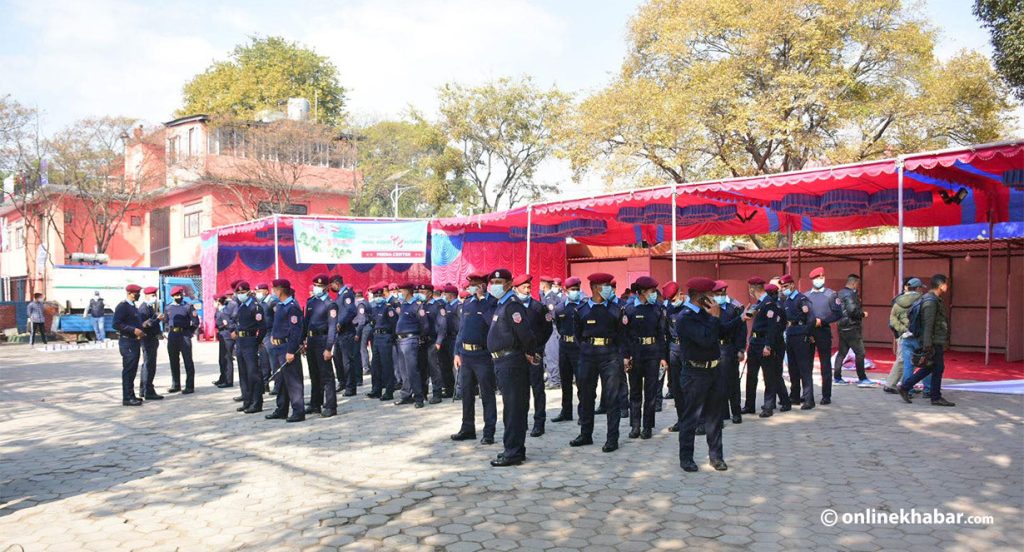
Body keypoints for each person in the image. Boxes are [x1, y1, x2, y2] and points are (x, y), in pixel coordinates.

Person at [676, 277, 739, 472]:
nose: (715, 299)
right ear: (700, 297)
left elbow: (720, 332)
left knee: (715, 417)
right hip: (695, 372)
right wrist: (714, 317)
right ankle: (686, 458)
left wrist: (741, 319)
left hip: (714, 370)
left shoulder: (706, 314)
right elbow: (705, 339)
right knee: (691, 418)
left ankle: (716, 457)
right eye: (711, 295)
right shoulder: (685, 317)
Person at [486, 269, 537, 467]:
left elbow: (526, 335)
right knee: (512, 407)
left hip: (511, 362)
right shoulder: (502, 305)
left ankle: (513, 452)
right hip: (502, 362)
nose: (495, 285)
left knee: (514, 408)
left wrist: (530, 352)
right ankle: (515, 448)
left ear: (508, 284)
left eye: (499, 281)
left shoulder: (512, 306)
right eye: (493, 281)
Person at [571, 272, 626, 453]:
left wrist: (621, 356)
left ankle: (612, 438)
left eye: (609, 286)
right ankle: (586, 434)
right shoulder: (581, 310)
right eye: (605, 286)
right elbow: (577, 335)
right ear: (595, 288)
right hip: (588, 355)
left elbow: (622, 336)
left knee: (612, 397)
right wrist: (586, 349)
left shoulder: (616, 310)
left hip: (610, 356)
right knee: (586, 396)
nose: (609, 289)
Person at [451, 273, 499, 445]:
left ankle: (489, 432)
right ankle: (467, 428)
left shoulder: (492, 302)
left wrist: (481, 300)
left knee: (486, 394)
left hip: (483, 356)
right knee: (466, 393)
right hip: (466, 355)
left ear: (484, 285)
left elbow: (492, 325)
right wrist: (457, 352)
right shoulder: (468, 303)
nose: (471, 287)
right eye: (470, 284)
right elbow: (461, 330)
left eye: (475, 284)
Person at [898, 274, 955, 407]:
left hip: (935, 340)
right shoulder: (931, 301)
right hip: (933, 341)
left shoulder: (934, 299)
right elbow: (928, 325)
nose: (947, 286)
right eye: (946, 283)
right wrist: (927, 345)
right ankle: (934, 396)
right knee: (937, 367)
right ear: (941, 285)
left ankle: (906, 387)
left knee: (932, 367)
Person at [622, 276, 667, 440]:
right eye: (652, 291)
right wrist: (625, 356)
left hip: (653, 353)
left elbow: (661, 334)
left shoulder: (657, 309)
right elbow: (624, 336)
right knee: (634, 392)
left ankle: (647, 427)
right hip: (635, 353)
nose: (654, 294)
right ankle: (635, 426)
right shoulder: (629, 309)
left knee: (651, 392)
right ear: (642, 292)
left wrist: (663, 357)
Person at [741, 278, 789, 417]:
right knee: (751, 375)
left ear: (753, 288)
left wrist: (768, 345)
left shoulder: (769, 303)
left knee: (768, 376)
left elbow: (772, 327)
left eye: (750, 288)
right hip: (755, 342)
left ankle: (768, 406)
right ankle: (749, 405)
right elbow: (751, 318)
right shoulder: (760, 303)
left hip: (763, 342)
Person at [512, 274, 553, 438]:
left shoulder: (538, 307)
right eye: (524, 287)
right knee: (520, 390)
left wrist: (537, 348)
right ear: (516, 289)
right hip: (517, 355)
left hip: (534, 354)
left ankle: (539, 422)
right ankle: (522, 421)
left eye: (529, 287)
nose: (527, 290)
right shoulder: (512, 307)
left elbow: (547, 329)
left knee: (537, 388)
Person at [265, 280, 307, 423]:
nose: (273, 292)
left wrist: (291, 351)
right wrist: (273, 336)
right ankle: (281, 409)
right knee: (281, 380)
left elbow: (295, 331)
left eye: (275, 289)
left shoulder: (292, 307)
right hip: (278, 347)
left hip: (287, 348)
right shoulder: (280, 306)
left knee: (293, 381)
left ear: (281, 290)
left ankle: (298, 411)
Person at [804, 267, 842, 405]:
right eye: (817, 278)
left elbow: (838, 313)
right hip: (808, 332)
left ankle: (826, 395)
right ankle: (807, 394)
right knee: (806, 364)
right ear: (812, 280)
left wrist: (823, 321)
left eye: (822, 277)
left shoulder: (831, 295)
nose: (820, 280)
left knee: (825, 364)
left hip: (823, 332)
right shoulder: (806, 296)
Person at [304, 275, 339, 417]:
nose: (316, 288)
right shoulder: (311, 302)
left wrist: (328, 348)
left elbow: (332, 328)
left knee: (327, 375)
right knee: (314, 374)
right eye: (314, 285)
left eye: (319, 286)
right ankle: (315, 404)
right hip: (311, 340)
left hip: (323, 339)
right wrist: (303, 340)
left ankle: (330, 406)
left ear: (326, 287)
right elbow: (306, 322)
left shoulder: (330, 304)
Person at [780, 274, 817, 409]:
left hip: (801, 334)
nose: (783, 289)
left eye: (785, 286)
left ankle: (809, 399)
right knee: (793, 369)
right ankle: (794, 396)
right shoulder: (787, 300)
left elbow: (811, 318)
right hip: (790, 334)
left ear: (792, 285)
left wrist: (807, 333)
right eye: (782, 287)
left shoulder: (801, 299)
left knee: (804, 369)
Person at [884, 278, 926, 394]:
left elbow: (892, 320)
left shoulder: (898, 301)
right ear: (917, 288)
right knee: (904, 362)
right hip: (916, 335)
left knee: (905, 361)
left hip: (902, 335)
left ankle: (906, 386)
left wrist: (903, 330)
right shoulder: (922, 300)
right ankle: (893, 385)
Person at [712, 280, 746, 424]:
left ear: (724, 292)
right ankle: (723, 412)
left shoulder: (735, 307)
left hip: (729, 347)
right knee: (718, 383)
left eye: (720, 294)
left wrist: (740, 349)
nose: (717, 296)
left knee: (732, 382)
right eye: (715, 294)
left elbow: (741, 330)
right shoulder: (711, 307)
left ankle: (736, 412)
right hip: (714, 348)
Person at [551, 277, 583, 423]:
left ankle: (583, 412)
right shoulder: (560, 308)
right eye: (572, 290)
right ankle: (566, 411)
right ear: (566, 290)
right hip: (564, 346)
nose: (575, 292)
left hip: (578, 347)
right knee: (565, 381)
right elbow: (558, 325)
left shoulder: (583, 306)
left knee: (582, 382)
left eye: (577, 289)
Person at [232, 281, 265, 414]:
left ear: (248, 292)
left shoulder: (255, 307)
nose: (240, 295)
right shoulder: (242, 306)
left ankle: (256, 402)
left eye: (242, 292)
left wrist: (256, 342)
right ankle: (247, 401)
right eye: (238, 293)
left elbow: (262, 328)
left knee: (253, 373)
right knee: (243, 373)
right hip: (240, 341)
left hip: (250, 341)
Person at [394, 282, 428, 408]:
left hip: (411, 339)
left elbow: (424, 324)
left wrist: (420, 337)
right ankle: (406, 395)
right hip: (401, 340)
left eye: (402, 290)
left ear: (408, 291)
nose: (400, 293)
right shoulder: (403, 305)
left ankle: (418, 397)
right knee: (403, 371)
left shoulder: (417, 305)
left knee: (412, 370)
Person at [836, 273, 871, 387]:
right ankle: (862, 378)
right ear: (854, 283)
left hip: (842, 326)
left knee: (841, 353)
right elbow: (852, 310)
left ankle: (837, 377)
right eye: (857, 284)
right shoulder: (851, 294)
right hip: (852, 327)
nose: (858, 286)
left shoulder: (840, 293)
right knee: (860, 353)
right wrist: (862, 314)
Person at [113, 284, 145, 406]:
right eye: (137, 293)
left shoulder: (133, 307)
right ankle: (127, 397)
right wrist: (133, 330)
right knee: (129, 370)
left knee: (133, 370)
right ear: (130, 293)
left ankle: (131, 394)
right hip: (127, 341)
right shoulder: (123, 306)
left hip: (134, 341)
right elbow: (116, 324)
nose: (138, 295)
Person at [165, 286, 200, 396]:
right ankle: (176, 384)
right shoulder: (168, 308)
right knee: (173, 361)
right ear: (172, 296)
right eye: (176, 296)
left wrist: (189, 333)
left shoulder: (188, 306)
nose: (178, 297)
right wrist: (166, 332)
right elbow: (166, 321)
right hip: (172, 335)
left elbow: (195, 322)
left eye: (180, 295)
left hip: (184, 335)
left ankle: (189, 386)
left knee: (188, 361)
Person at [367, 283, 398, 400]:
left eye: (379, 295)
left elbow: (394, 324)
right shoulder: (374, 308)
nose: (377, 297)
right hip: (376, 337)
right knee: (375, 365)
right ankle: (376, 389)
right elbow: (372, 322)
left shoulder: (388, 308)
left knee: (387, 365)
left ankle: (389, 391)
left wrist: (392, 338)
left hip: (386, 337)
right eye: (376, 295)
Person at [663, 281, 687, 432]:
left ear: (681, 293)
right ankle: (682, 420)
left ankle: (699, 420)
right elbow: (665, 331)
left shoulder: (692, 307)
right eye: (670, 300)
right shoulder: (668, 308)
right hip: (673, 349)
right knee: (677, 388)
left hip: (688, 349)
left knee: (691, 387)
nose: (672, 302)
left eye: (674, 298)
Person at [331, 275, 360, 396]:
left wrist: (340, 322)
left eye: (332, 284)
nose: (331, 287)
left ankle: (350, 387)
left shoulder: (347, 294)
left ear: (336, 283)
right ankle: (342, 382)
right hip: (339, 333)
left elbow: (351, 311)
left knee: (347, 361)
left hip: (346, 331)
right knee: (337, 359)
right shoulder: (339, 296)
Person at [137, 287, 164, 401]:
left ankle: (143, 389)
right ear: (146, 296)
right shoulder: (143, 309)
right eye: (152, 295)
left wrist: (159, 332)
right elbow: (145, 325)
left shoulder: (149, 307)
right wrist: (158, 319)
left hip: (151, 338)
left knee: (146, 364)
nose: (154, 297)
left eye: (155, 295)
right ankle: (149, 391)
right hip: (148, 340)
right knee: (149, 365)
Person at [422, 283, 447, 404]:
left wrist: (439, 341)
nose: (421, 295)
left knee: (434, 368)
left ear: (430, 293)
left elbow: (442, 325)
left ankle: (437, 393)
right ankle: (424, 393)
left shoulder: (437, 306)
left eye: (423, 292)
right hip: (423, 341)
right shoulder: (422, 305)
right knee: (423, 368)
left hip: (433, 341)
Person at [540, 276, 564, 390]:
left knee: (552, 355)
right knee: (547, 355)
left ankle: (555, 380)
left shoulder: (551, 298)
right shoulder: (546, 297)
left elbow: (552, 316)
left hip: (552, 328)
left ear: (544, 285)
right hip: (547, 329)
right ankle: (551, 378)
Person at [255, 283, 277, 393]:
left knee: (274, 361)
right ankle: (265, 384)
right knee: (264, 362)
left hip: (271, 333)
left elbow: (278, 318)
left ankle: (277, 385)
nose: (258, 293)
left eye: (260, 291)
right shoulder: (261, 303)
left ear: (266, 291)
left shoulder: (272, 302)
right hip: (263, 333)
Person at [213, 292, 236, 389]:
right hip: (222, 335)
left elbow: (228, 324)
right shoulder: (220, 310)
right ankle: (223, 378)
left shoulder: (224, 311)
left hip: (227, 335)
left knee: (227, 358)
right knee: (222, 359)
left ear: (218, 301)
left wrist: (224, 326)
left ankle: (228, 380)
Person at [441, 284, 461, 398]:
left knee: (456, 365)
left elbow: (461, 324)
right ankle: (449, 389)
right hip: (446, 338)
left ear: (451, 295)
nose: (444, 296)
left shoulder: (458, 306)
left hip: (455, 338)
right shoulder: (446, 306)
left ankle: (458, 390)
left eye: (446, 294)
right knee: (446, 364)